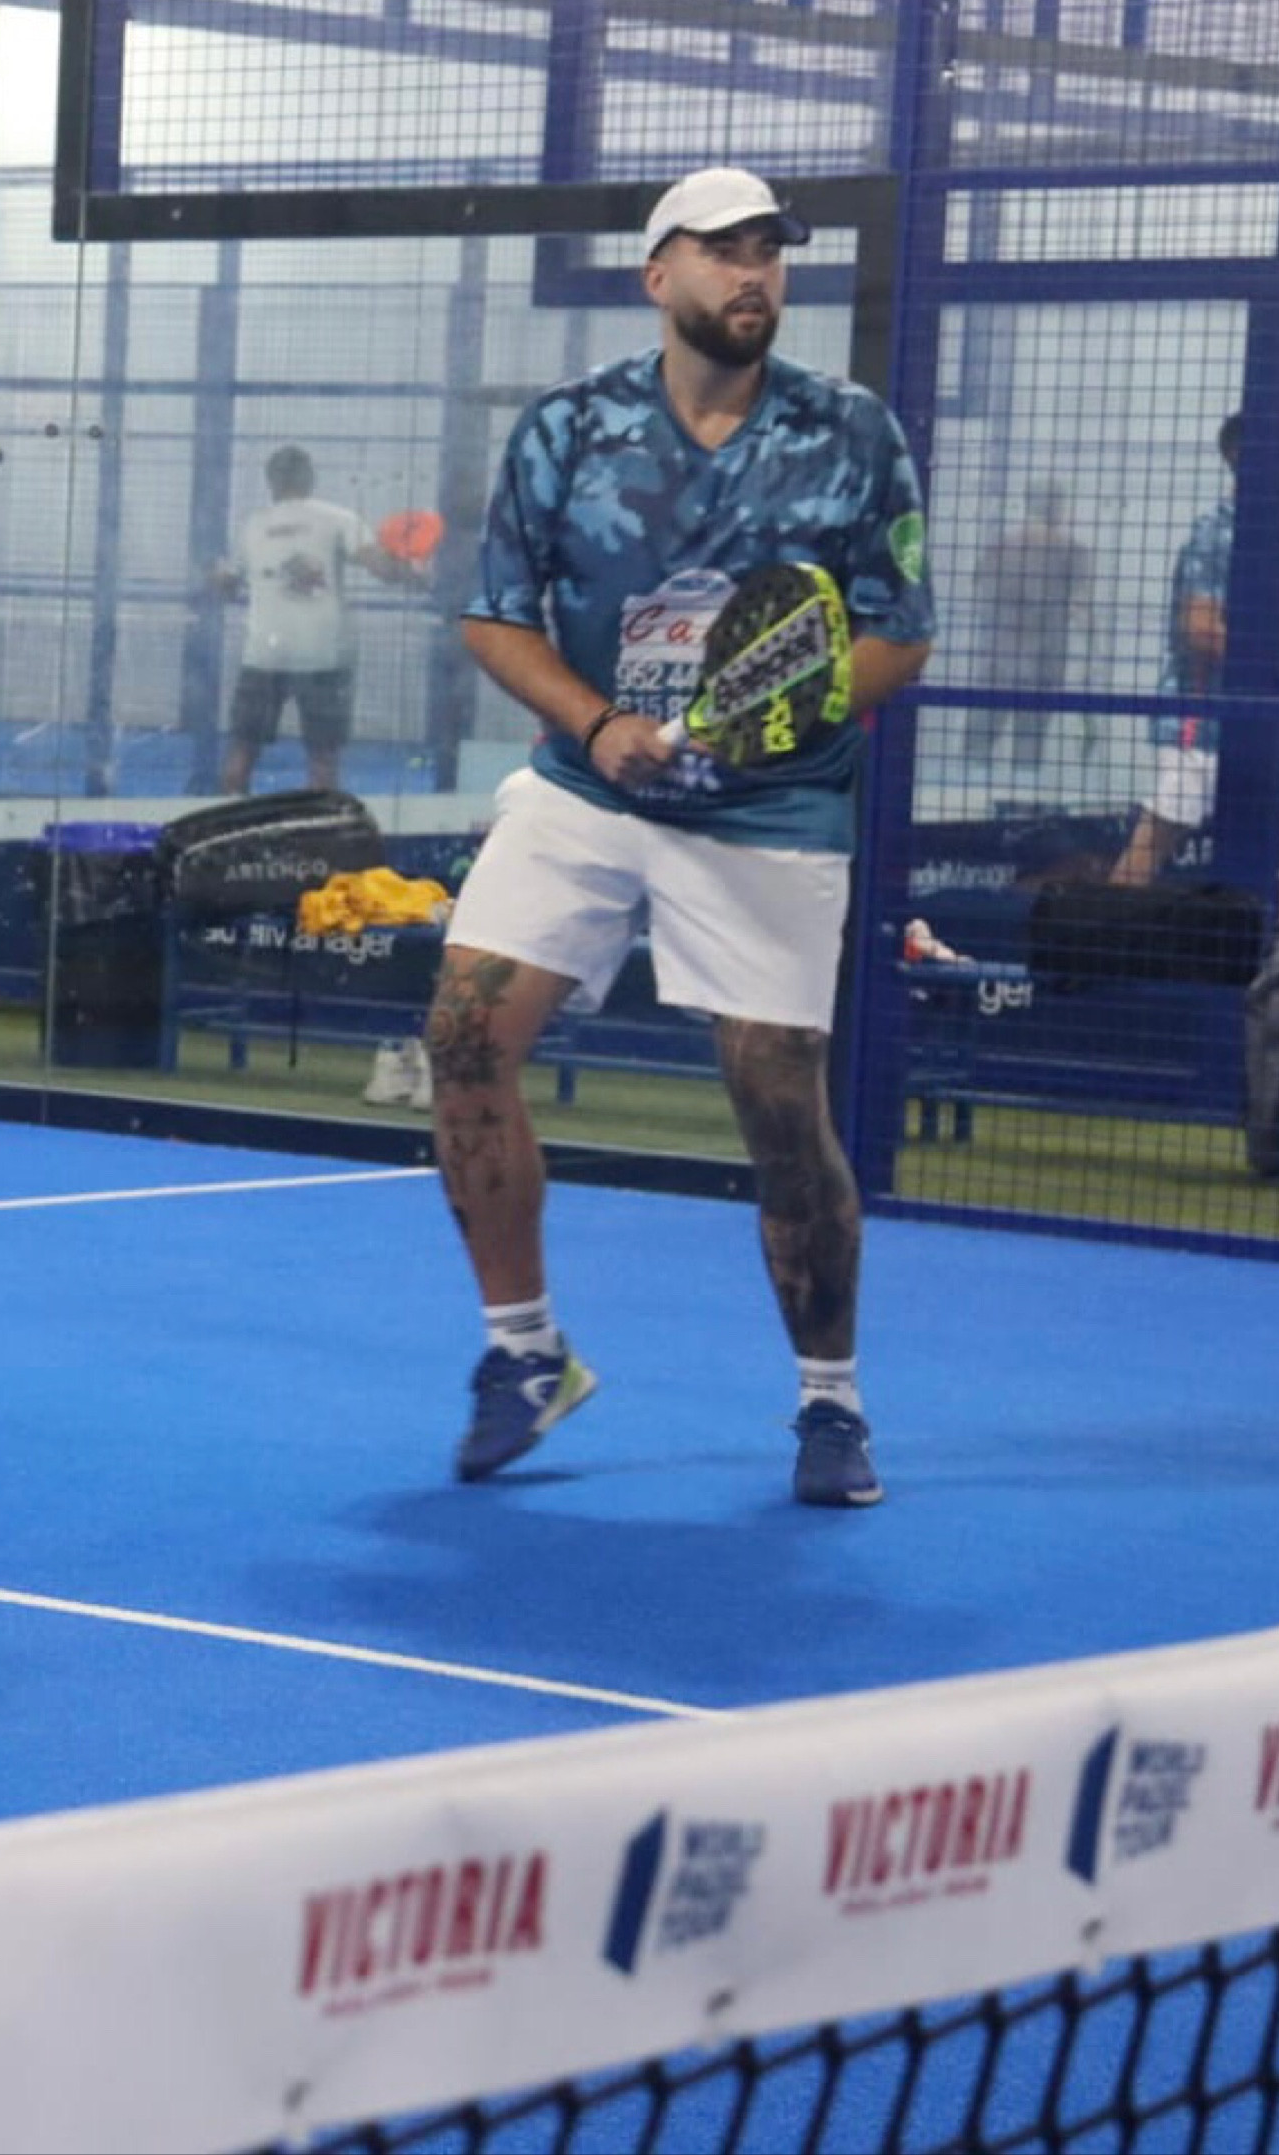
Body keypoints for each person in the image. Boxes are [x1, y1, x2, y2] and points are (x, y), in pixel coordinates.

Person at [424, 165, 935, 1509]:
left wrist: (771, 725)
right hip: (588, 788)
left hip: (771, 810)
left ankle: (830, 1400)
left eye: (769, 250)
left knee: (779, 1102)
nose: (752, 272)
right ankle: (526, 1354)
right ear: (661, 276)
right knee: (463, 1036)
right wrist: (597, 726)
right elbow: (494, 616)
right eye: (723, 250)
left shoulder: (852, 431)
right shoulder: (570, 428)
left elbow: (897, 633)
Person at [212, 445, 423, 796]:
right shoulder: (337, 518)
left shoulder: (253, 525)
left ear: (270, 481)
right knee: (323, 761)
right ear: (310, 478)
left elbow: (225, 585)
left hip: (265, 654)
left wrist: (216, 577)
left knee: (241, 757)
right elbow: (382, 568)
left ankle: (230, 823)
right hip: (323, 654)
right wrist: (417, 573)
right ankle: (320, 827)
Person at [1110, 413, 1239, 886]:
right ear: (1236, 457)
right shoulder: (1215, 534)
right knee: (1156, 840)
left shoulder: (1275, 537)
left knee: (1270, 850)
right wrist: (1267, 666)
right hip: (1197, 720)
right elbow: (1200, 629)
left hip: (1250, 723)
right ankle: (1093, 931)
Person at [965, 480, 1093, 776]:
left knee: (980, 736)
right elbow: (1080, 606)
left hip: (999, 655)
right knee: (1030, 741)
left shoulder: (999, 548)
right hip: (1045, 657)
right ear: (1058, 507)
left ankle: (967, 791)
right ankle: (1022, 791)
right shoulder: (1073, 551)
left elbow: (979, 591)